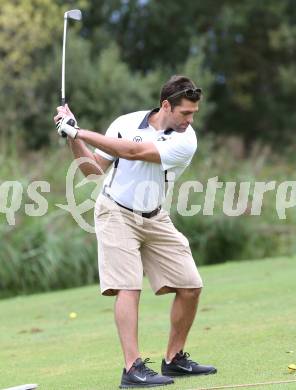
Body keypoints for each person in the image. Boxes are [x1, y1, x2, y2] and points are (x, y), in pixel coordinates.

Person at [54, 75, 217, 388]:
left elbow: (133, 153)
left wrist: (79, 130)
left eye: (193, 113)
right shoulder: (126, 122)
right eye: (185, 113)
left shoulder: (185, 139)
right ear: (165, 105)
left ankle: (173, 359)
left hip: (155, 216)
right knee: (128, 287)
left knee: (191, 286)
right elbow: (92, 171)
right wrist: (73, 136)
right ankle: (132, 369)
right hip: (115, 212)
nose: (190, 120)